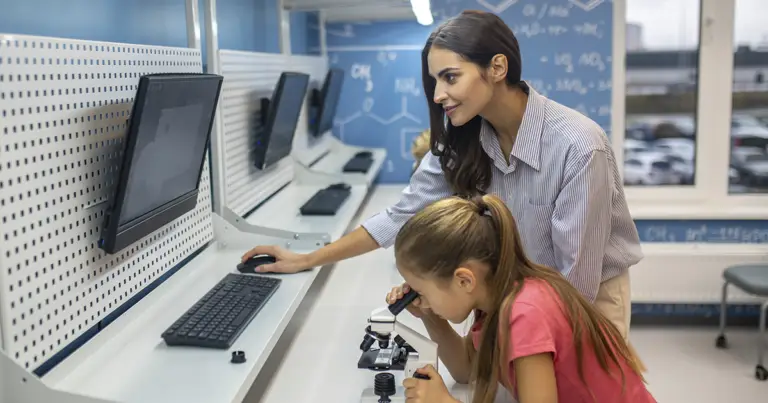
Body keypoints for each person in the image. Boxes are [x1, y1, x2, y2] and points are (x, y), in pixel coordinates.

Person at [241, 10, 643, 338]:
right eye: (434, 81)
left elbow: (576, 281)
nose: (437, 95)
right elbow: (400, 216)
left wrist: (519, 339)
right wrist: (308, 259)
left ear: (497, 67)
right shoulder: (464, 135)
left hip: (582, 303)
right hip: (513, 293)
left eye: (450, 77)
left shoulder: (578, 146)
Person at [386, 194, 655, 403]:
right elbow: (466, 370)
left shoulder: (526, 314)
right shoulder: (496, 299)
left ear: (464, 280)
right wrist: (429, 314)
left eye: (422, 291)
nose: (419, 297)